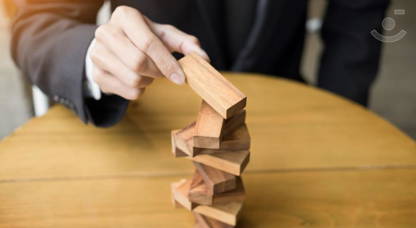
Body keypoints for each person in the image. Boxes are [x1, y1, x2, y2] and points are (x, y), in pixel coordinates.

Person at [11, 0, 390, 127]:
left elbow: (361, 19)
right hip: (145, 123)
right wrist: (93, 58)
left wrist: (343, 113)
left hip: (289, 109)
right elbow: (36, 24)